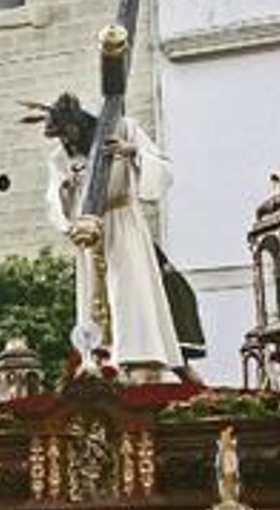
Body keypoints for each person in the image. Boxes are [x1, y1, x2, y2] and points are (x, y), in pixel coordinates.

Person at [33, 93, 188, 378]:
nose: (65, 142)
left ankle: (140, 358)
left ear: (79, 124)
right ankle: (99, 360)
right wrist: (67, 193)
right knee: (93, 296)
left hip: (123, 222)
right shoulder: (60, 157)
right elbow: (55, 202)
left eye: (68, 133)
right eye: (59, 137)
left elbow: (162, 168)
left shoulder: (122, 129)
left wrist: (131, 152)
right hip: (89, 232)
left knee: (131, 286)